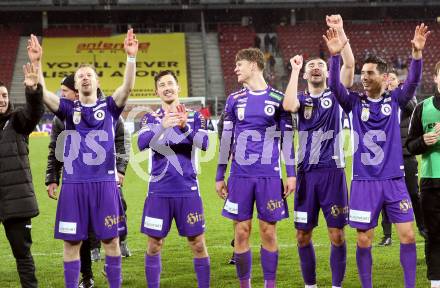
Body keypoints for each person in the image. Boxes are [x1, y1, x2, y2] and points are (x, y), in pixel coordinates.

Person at [27, 29, 138, 288]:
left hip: (105, 184)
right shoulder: (68, 110)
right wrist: (36, 63)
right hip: (74, 186)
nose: (85, 78)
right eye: (81, 77)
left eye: (89, 75)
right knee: (72, 242)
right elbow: (43, 94)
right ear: (75, 86)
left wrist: (130, 58)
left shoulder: (110, 107)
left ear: (97, 82)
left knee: (111, 241)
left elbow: (128, 87)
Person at [325, 23, 429, 287]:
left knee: (407, 235)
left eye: (370, 73)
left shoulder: (395, 100)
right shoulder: (354, 102)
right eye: (362, 73)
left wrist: (416, 54)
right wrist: (335, 57)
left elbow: (413, 82)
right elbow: (335, 87)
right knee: (363, 239)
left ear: (384, 78)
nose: (364, 77)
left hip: (394, 180)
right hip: (364, 182)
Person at [283, 14, 354, 288]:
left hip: (332, 173)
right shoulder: (299, 98)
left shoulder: (337, 93)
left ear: (327, 73)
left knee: (337, 234)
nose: (315, 68)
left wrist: (341, 32)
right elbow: (288, 106)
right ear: (305, 73)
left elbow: (349, 64)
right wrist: (294, 70)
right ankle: (310, 285)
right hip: (306, 174)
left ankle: (336, 286)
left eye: (320, 65)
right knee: (303, 235)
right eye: (310, 65)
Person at [216, 48, 296, 288]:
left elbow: (288, 140)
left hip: (268, 177)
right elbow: (226, 140)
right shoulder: (233, 100)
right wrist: (220, 175)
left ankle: (269, 284)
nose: (235, 69)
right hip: (240, 176)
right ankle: (245, 284)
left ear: (253, 65)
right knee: (241, 231)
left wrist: (291, 174)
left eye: (239, 64)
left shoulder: (278, 99)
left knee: (268, 232)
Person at [44, 74, 132, 288]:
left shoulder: (109, 110)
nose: (62, 95)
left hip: (105, 179)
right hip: (75, 183)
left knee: (112, 230)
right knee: (76, 236)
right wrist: (52, 177)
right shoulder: (61, 116)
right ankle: (87, 274)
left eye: (64, 91)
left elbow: (122, 139)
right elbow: (56, 148)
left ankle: (120, 248)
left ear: (75, 91)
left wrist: (120, 168)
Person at [138, 70, 210, 288]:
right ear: (157, 91)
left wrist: (184, 127)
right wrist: (163, 126)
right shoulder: (149, 118)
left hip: (187, 189)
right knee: (154, 244)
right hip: (159, 191)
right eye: (162, 84)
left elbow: (204, 144)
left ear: (179, 88)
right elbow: (142, 144)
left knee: (197, 244)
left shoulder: (196, 116)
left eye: (170, 83)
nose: (167, 87)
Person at [0, 64, 43, 288]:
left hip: (16, 201)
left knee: (23, 255)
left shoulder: (17, 121)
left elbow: (35, 111)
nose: (2, 99)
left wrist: (33, 90)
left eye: (4, 95)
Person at [378, 70, 426, 247]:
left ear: (399, 83)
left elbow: (413, 110)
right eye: (386, 78)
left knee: (413, 193)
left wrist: (396, 93)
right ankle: (387, 234)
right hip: (385, 157)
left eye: (392, 79)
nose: (388, 81)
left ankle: (422, 227)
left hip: (405, 155)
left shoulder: (407, 98)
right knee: (385, 196)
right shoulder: (380, 101)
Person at [406, 61, 440, 288]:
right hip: (432, 182)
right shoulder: (423, 108)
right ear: (436, 78)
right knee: (435, 235)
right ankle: (436, 282)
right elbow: (409, 145)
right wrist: (424, 142)